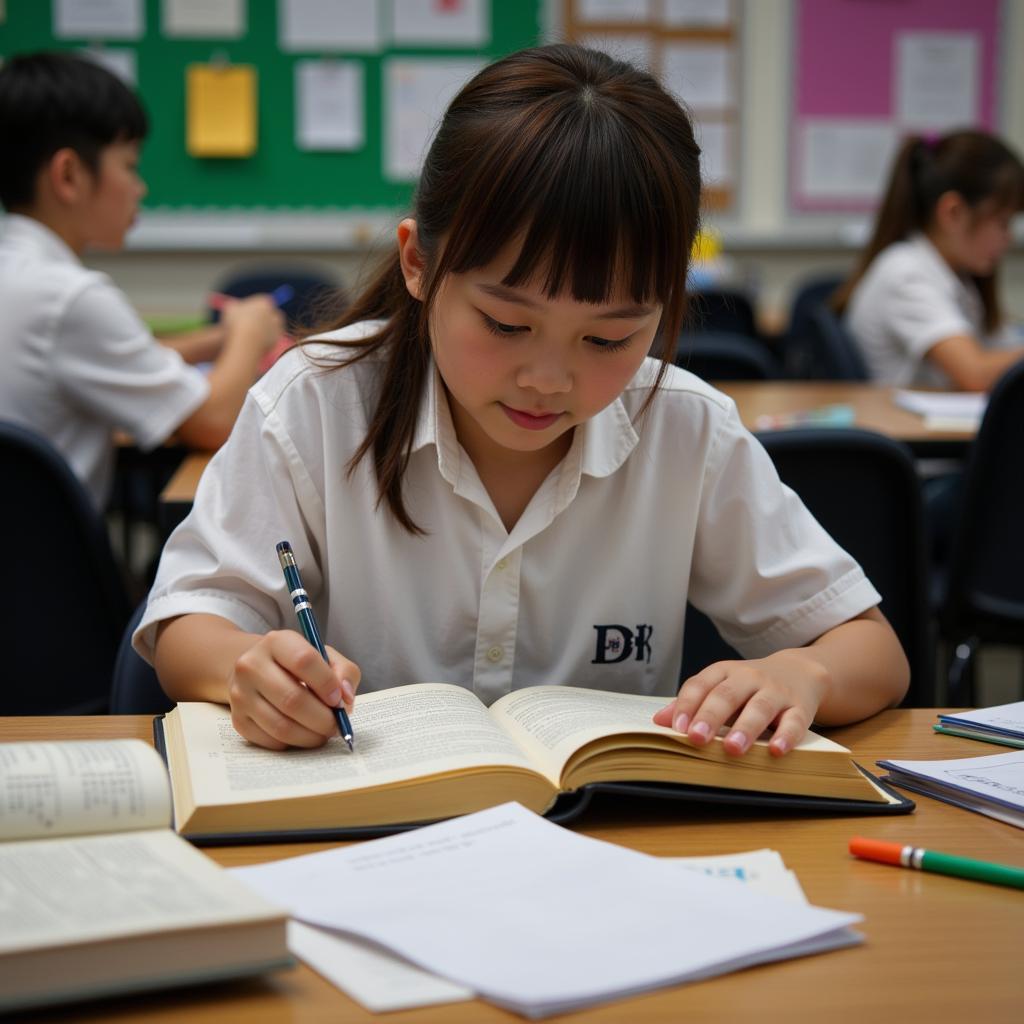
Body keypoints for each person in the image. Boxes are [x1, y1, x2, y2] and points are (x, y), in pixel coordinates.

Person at [137, 44, 909, 756]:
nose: (548, 379)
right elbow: (186, 625)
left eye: (608, 339)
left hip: (607, 853)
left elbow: (874, 652)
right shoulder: (313, 403)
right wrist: (249, 664)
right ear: (417, 264)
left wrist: (804, 675)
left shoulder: (684, 427)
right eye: (507, 323)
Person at [0, 52, 283, 510]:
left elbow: (130, 357)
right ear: (68, 175)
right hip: (51, 576)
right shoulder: (71, 297)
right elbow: (214, 421)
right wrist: (249, 332)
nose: (141, 187)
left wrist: (217, 338)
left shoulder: (20, 275)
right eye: (129, 165)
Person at [835, 131, 1024, 391]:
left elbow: (1001, 347)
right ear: (953, 213)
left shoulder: (957, 275)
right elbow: (976, 374)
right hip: (903, 429)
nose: (1009, 238)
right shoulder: (905, 273)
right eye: (1002, 223)